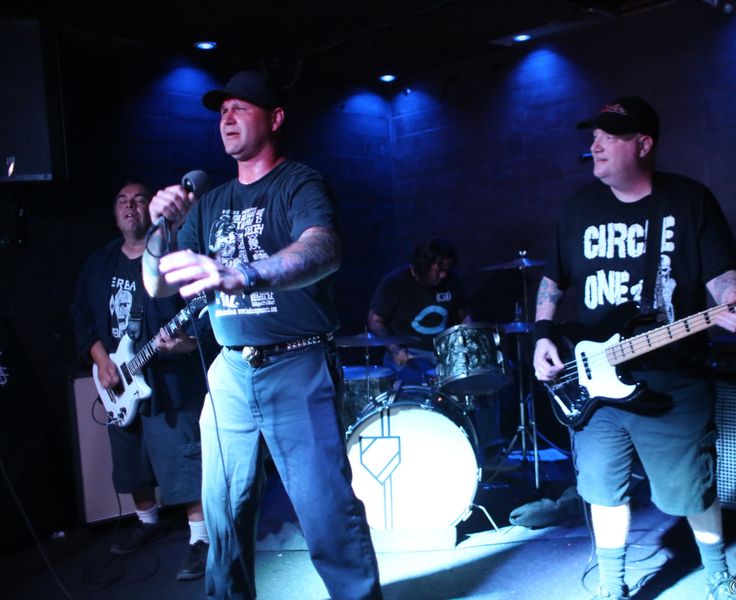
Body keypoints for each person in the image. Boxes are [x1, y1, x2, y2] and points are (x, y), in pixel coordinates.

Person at [142, 70, 381, 599]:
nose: (227, 118)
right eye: (222, 111)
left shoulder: (299, 183)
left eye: (241, 108)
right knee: (223, 515)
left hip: (296, 365)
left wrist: (243, 274)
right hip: (230, 370)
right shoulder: (210, 202)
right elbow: (157, 284)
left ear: (274, 118)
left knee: (327, 513)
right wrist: (160, 230)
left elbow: (323, 248)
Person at [532, 97, 736, 600]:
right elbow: (552, 281)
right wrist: (542, 336)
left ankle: (718, 577)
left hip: (674, 377)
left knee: (691, 487)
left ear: (643, 144)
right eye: (594, 136)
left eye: (609, 137)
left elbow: (723, 277)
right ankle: (612, 586)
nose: (595, 146)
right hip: (592, 377)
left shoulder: (690, 200)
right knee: (602, 487)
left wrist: (734, 301)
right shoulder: (578, 208)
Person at [71, 182, 209, 581]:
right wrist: (101, 360)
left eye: (139, 200)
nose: (130, 206)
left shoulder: (174, 257)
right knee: (130, 459)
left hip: (169, 382)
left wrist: (185, 344)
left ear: (152, 210)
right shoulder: (99, 263)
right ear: (115, 214)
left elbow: (204, 318)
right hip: (118, 380)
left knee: (183, 459)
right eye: (122, 201)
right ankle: (147, 521)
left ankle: (201, 538)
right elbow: (81, 315)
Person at [367, 237, 471, 386]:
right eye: (439, 270)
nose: (443, 275)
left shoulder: (453, 281)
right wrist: (395, 350)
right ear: (424, 265)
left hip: (444, 354)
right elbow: (375, 321)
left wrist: (468, 342)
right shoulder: (395, 282)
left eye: (447, 270)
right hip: (409, 354)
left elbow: (464, 317)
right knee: (415, 386)